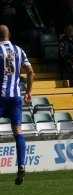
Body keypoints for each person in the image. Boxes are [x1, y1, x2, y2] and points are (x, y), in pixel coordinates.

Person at [0, 24, 34, 185]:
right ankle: (21, 164)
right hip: (15, 97)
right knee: (18, 132)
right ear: (9, 34)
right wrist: (29, 91)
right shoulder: (19, 50)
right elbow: (30, 71)